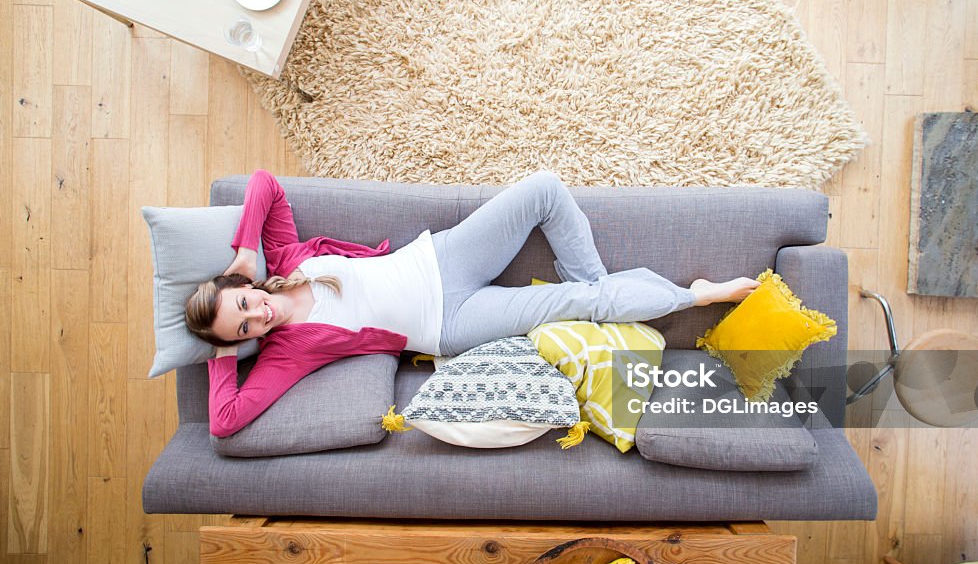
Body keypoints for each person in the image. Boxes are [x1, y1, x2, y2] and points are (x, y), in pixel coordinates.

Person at [185, 170, 759, 437]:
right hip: (449, 324)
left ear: (245, 286)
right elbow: (224, 422)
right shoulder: (284, 354)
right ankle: (690, 297)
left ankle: (599, 303)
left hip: (440, 259)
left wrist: (243, 252)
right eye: (243, 331)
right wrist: (217, 352)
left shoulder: (284, 260)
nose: (256, 317)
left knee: (544, 190)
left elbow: (265, 184)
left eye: (244, 304)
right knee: (584, 300)